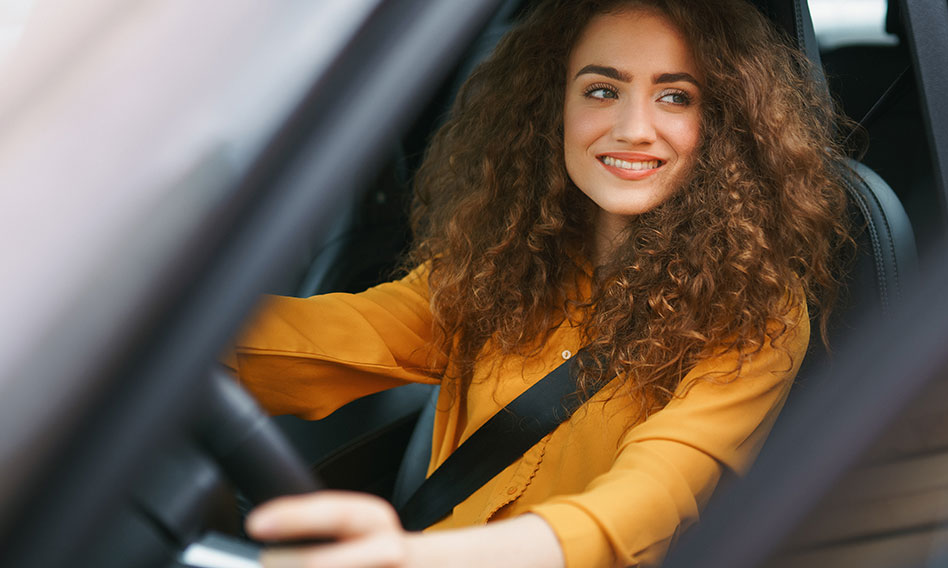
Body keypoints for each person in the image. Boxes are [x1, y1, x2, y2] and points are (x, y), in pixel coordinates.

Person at [229, 0, 849, 566]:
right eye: (602, 90)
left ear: (725, 123)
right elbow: (322, 342)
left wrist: (417, 560)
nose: (633, 128)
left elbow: (644, 506)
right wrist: (150, 326)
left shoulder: (754, 315)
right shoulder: (501, 259)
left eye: (675, 97)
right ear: (553, 106)